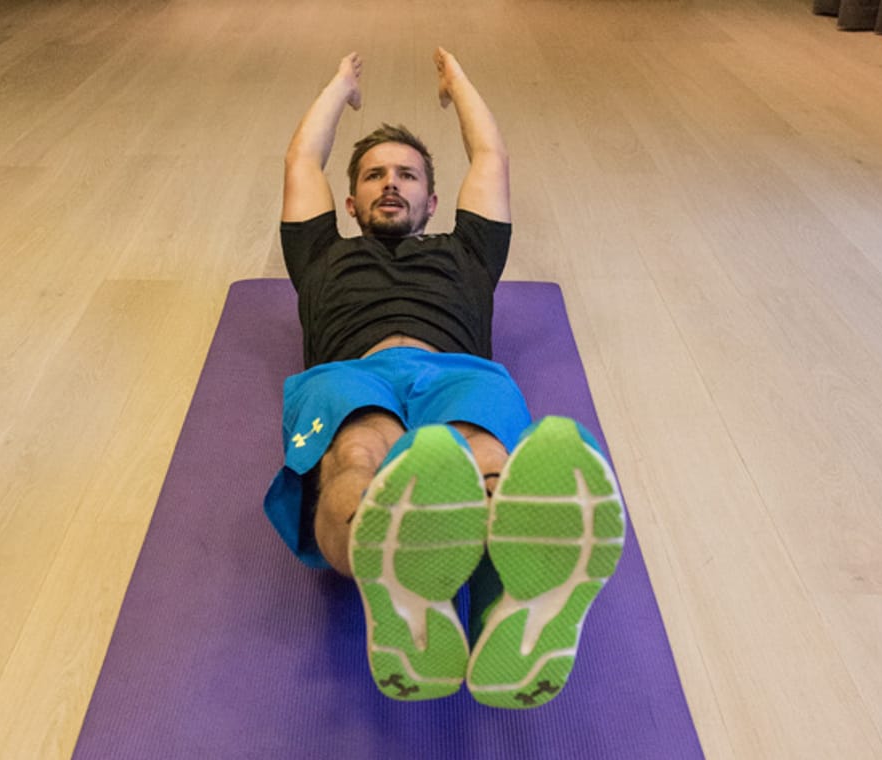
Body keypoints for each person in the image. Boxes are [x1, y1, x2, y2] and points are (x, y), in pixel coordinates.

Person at [264, 49, 627, 709]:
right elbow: (300, 163)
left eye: (407, 175)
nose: (391, 184)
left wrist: (457, 85)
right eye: (374, 176)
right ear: (350, 201)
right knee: (357, 450)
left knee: (483, 456)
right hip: (350, 374)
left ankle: (517, 603)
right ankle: (388, 578)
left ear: (433, 199)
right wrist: (339, 88)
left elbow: (490, 159)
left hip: (461, 373)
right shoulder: (320, 253)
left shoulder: (468, 251)